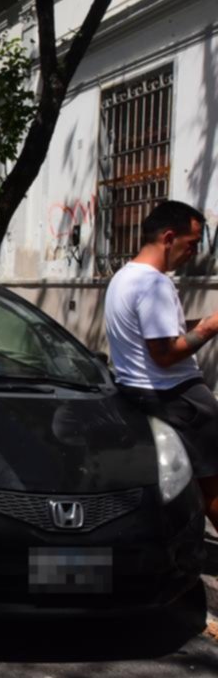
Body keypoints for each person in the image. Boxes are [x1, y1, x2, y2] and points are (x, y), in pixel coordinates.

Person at [104, 200, 218, 530]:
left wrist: (200, 323)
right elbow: (165, 353)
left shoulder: (123, 278)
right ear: (169, 237)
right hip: (179, 398)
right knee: (212, 483)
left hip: (142, 395)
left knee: (180, 482)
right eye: (192, 243)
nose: (193, 253)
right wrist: (211, 327)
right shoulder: (154, 284)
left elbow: (158, 335)